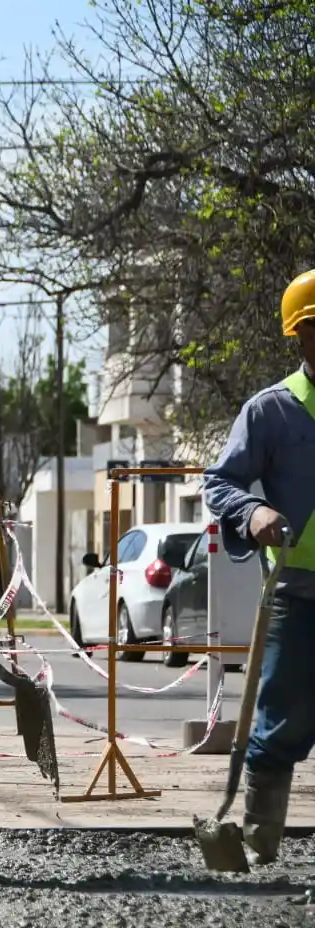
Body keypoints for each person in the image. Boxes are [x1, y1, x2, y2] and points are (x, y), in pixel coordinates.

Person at [203, 268, 315, 867]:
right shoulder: (272, 410)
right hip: (297, 592)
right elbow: (219, 483)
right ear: (302, 336)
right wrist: (254, 512)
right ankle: (256, 837)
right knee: (279, 722)